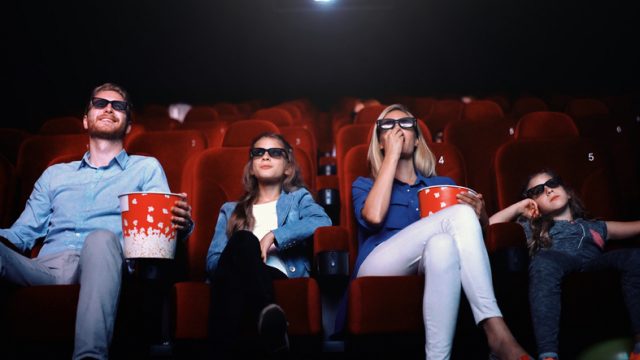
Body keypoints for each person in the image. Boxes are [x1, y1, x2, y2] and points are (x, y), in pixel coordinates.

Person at [0, 82, 193, 360]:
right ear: (85, 119)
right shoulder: (55, 174)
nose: (109, 109)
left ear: (128, 125)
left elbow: (163, 229)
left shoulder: (145, 168)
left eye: (119, 105)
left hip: (106, 264)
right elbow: (20, 234)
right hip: (46, 268)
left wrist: (182, 223)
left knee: (100, 238)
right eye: (100, 103)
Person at [344, 103, 531, 360]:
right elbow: (374, 217)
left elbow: (469, 241)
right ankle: (496, 331)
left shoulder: (444, 185)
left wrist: (482, 217)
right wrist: (391, 157)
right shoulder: (364, 184)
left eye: (406, 124)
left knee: (443, 244)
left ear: (418, 139)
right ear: (380, 143)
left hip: (429, 261)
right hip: (377, 263)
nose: (397, 129)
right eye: (388, 126)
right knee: (456, 219)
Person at [489, 169, 640, 360]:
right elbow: (491, 228)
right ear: (533, 204)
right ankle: (548, 356)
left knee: (634, 256)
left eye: (552, 184)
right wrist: (520, 207)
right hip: (556, 261)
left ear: (568, 193)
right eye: (538, 191)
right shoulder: (531, 229)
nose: (549, 191)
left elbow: (636, 227)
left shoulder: (597, 226)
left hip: (595, 264)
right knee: (543, 263)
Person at [206, 132, 331, 357]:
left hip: (278, 273)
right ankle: (266, 313)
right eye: (258, 153)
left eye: (275, 152)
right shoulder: (230, 210)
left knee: (244, 245)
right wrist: (244, 252)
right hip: (234, 276)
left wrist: (274, 235)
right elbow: (214, 262)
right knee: (244, 241)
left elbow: (322, 221)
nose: (265, 157)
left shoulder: (298, 199)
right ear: (251, 167)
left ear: (287, 167)